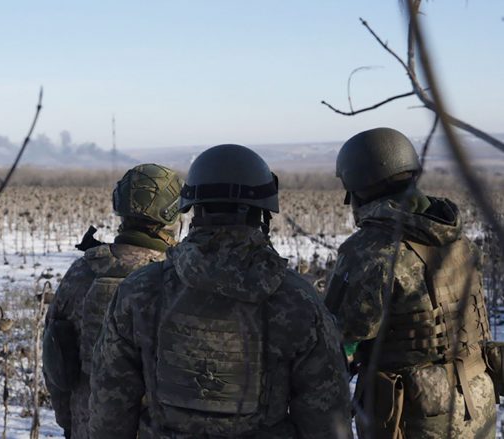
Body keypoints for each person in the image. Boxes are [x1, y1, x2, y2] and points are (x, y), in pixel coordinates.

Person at [89, 144, 352, 439]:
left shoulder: (139, 292)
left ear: (190, 208)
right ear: (263, 213)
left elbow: (109, 406)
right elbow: (328, 420)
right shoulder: (298, 302)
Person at [324, 127, 497, 438]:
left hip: (415, 412)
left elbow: (338, 338)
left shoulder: (370, 251)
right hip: (478, 397)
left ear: (359, 187)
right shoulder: (458, 239)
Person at [42, 163, 184, 439]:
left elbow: (55, 364)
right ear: (171, 215)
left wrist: (71, 425)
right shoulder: (178, 279)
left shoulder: (82, 272)